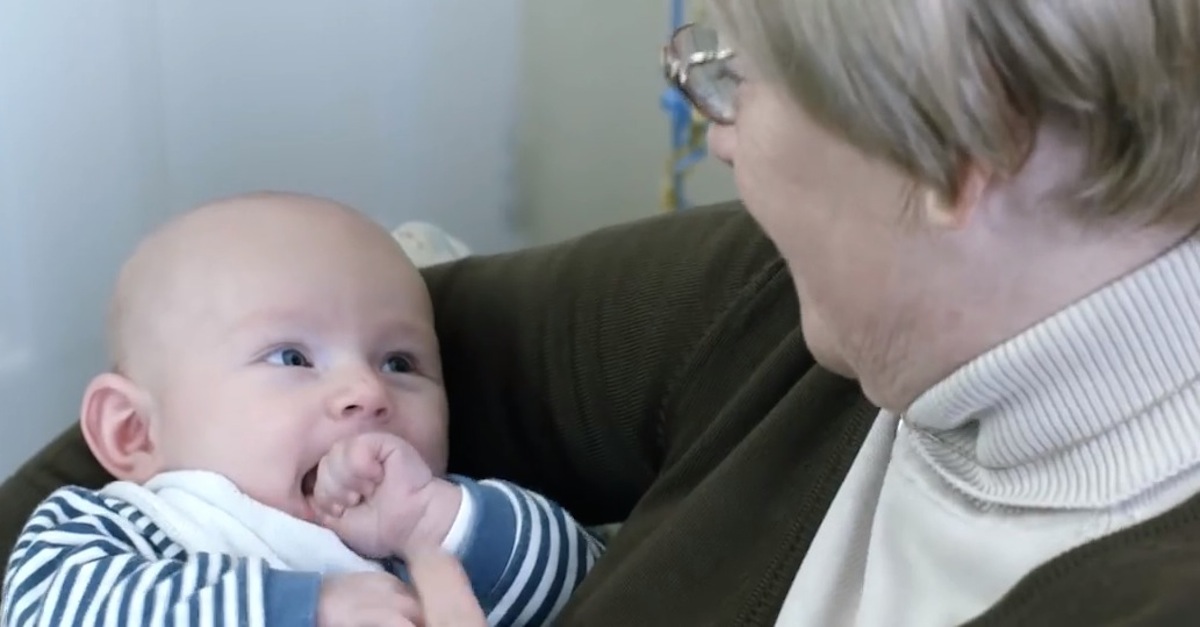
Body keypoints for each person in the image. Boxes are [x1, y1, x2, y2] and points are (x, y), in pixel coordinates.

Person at [4, 1, 1200, 624]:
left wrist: (441, 524)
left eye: (739, 74)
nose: (715, 133)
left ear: (957, 149)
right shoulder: (767, 303)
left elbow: (550, 561)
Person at [0, 194, 602, 626]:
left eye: (399, 362)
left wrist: (438, 521)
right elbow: (50, 611)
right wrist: (305, 610)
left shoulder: (418, 534)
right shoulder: (126, 529)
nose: (368, 391)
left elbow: (594, 585)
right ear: (134, 432)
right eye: (292, 357)